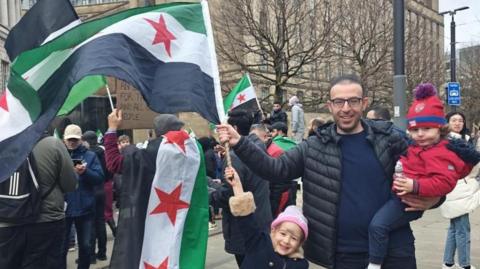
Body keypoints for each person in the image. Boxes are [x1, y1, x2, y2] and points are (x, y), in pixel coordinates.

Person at [217, 74, 443, 269]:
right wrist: (240, 143)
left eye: (353, 101)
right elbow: (275, 169)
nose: (346, 108)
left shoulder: (390, 138)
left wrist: (434, 198)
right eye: (339, 102)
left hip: (394, 252)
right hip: (341, 256)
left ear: (364, 103)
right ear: (330, 105)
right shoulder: (313, 146)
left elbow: (433, 170)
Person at [366, 84, 473, 269]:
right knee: (378, 226)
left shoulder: (440, 151)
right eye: (415, 130)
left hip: (407, 201)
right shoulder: (417, 146)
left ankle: (374, 265)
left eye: (427, 128)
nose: (420, 134)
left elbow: (443, 182)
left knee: (378, 226)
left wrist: (415, 186)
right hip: (400, 197)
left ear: (440, 129)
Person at [0, 135, 77, 269]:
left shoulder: (3, 144)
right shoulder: (52, 144)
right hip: (46, 220)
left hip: (6, 223)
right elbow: (70, 185)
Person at [211, 109, 272, 268]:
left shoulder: (236, 157)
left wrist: (208, 191)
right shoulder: (258, 147)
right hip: (261, 221)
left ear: (235, 129)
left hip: (245, 229)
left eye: (225, 129)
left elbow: (228, 195)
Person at [224, 166, 309, 269]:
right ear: (273, 231)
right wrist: (237, 185)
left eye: (294, 238)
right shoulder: (258, 242)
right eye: (283, 233)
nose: (286, 240)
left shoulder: (298, 264)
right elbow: (245, 217)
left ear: (300, 243)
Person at [61, 124, 104, 269]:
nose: (72, 142)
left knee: (86, 245)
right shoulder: (59, 155)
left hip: (85, 207)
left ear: (80, 139)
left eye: (75, 139)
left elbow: (99, 178)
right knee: (61, 247)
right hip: (64, 208)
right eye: (69, 139)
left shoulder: (90, 155)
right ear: (64, 139)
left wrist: (85, 172)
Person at [441, 111, 480, 269]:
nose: (457, 123)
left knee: (455, 227)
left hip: (463, 186)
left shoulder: (465, 139)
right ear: (447, 122)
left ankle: (448, 262)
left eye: (460, 120)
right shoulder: (448, 141)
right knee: (463, 228)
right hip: (455, 186)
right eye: (454, 120)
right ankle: (465, 264)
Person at [82, 130, 110, 262]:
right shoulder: (102, 151)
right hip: (102, 189)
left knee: (90, 224)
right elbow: (108, 171)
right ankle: (103, 253)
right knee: (100, 221)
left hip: (91, 190)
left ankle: (91, 256)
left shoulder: (87, 154)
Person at [267, 122, 298, 217]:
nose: (270, 134)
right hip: (293, 183)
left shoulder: (274, 145)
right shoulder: (296, 145)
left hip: (278, 187)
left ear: (280, 132)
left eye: (273, 131)